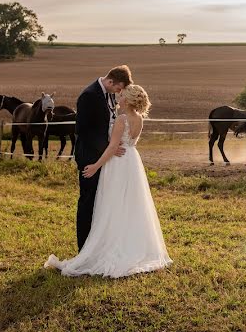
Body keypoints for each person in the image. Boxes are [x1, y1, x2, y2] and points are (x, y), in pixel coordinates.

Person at [45, 83, 172, 278]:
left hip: (118, 164)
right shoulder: (139, 118)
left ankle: (112, 246)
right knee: (130, 205)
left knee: (112, 204)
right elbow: (127, 143)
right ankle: (131, 245)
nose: (118, 99)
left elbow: (113, 147)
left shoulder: (122, 119)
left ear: (127, 100)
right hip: (132, 161)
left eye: (121, 97)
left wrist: (95, 166)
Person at [72, 66, 132, 251]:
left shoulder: (109, 94)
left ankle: (98, 245)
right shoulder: (89, 95)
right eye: (118, 88)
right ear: (110, 81)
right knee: (88, 202)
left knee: (101, 202)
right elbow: (83, 131)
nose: (119, 92)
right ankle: (84, 248)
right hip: (90, 158)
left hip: (105, 158)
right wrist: (109, 148)